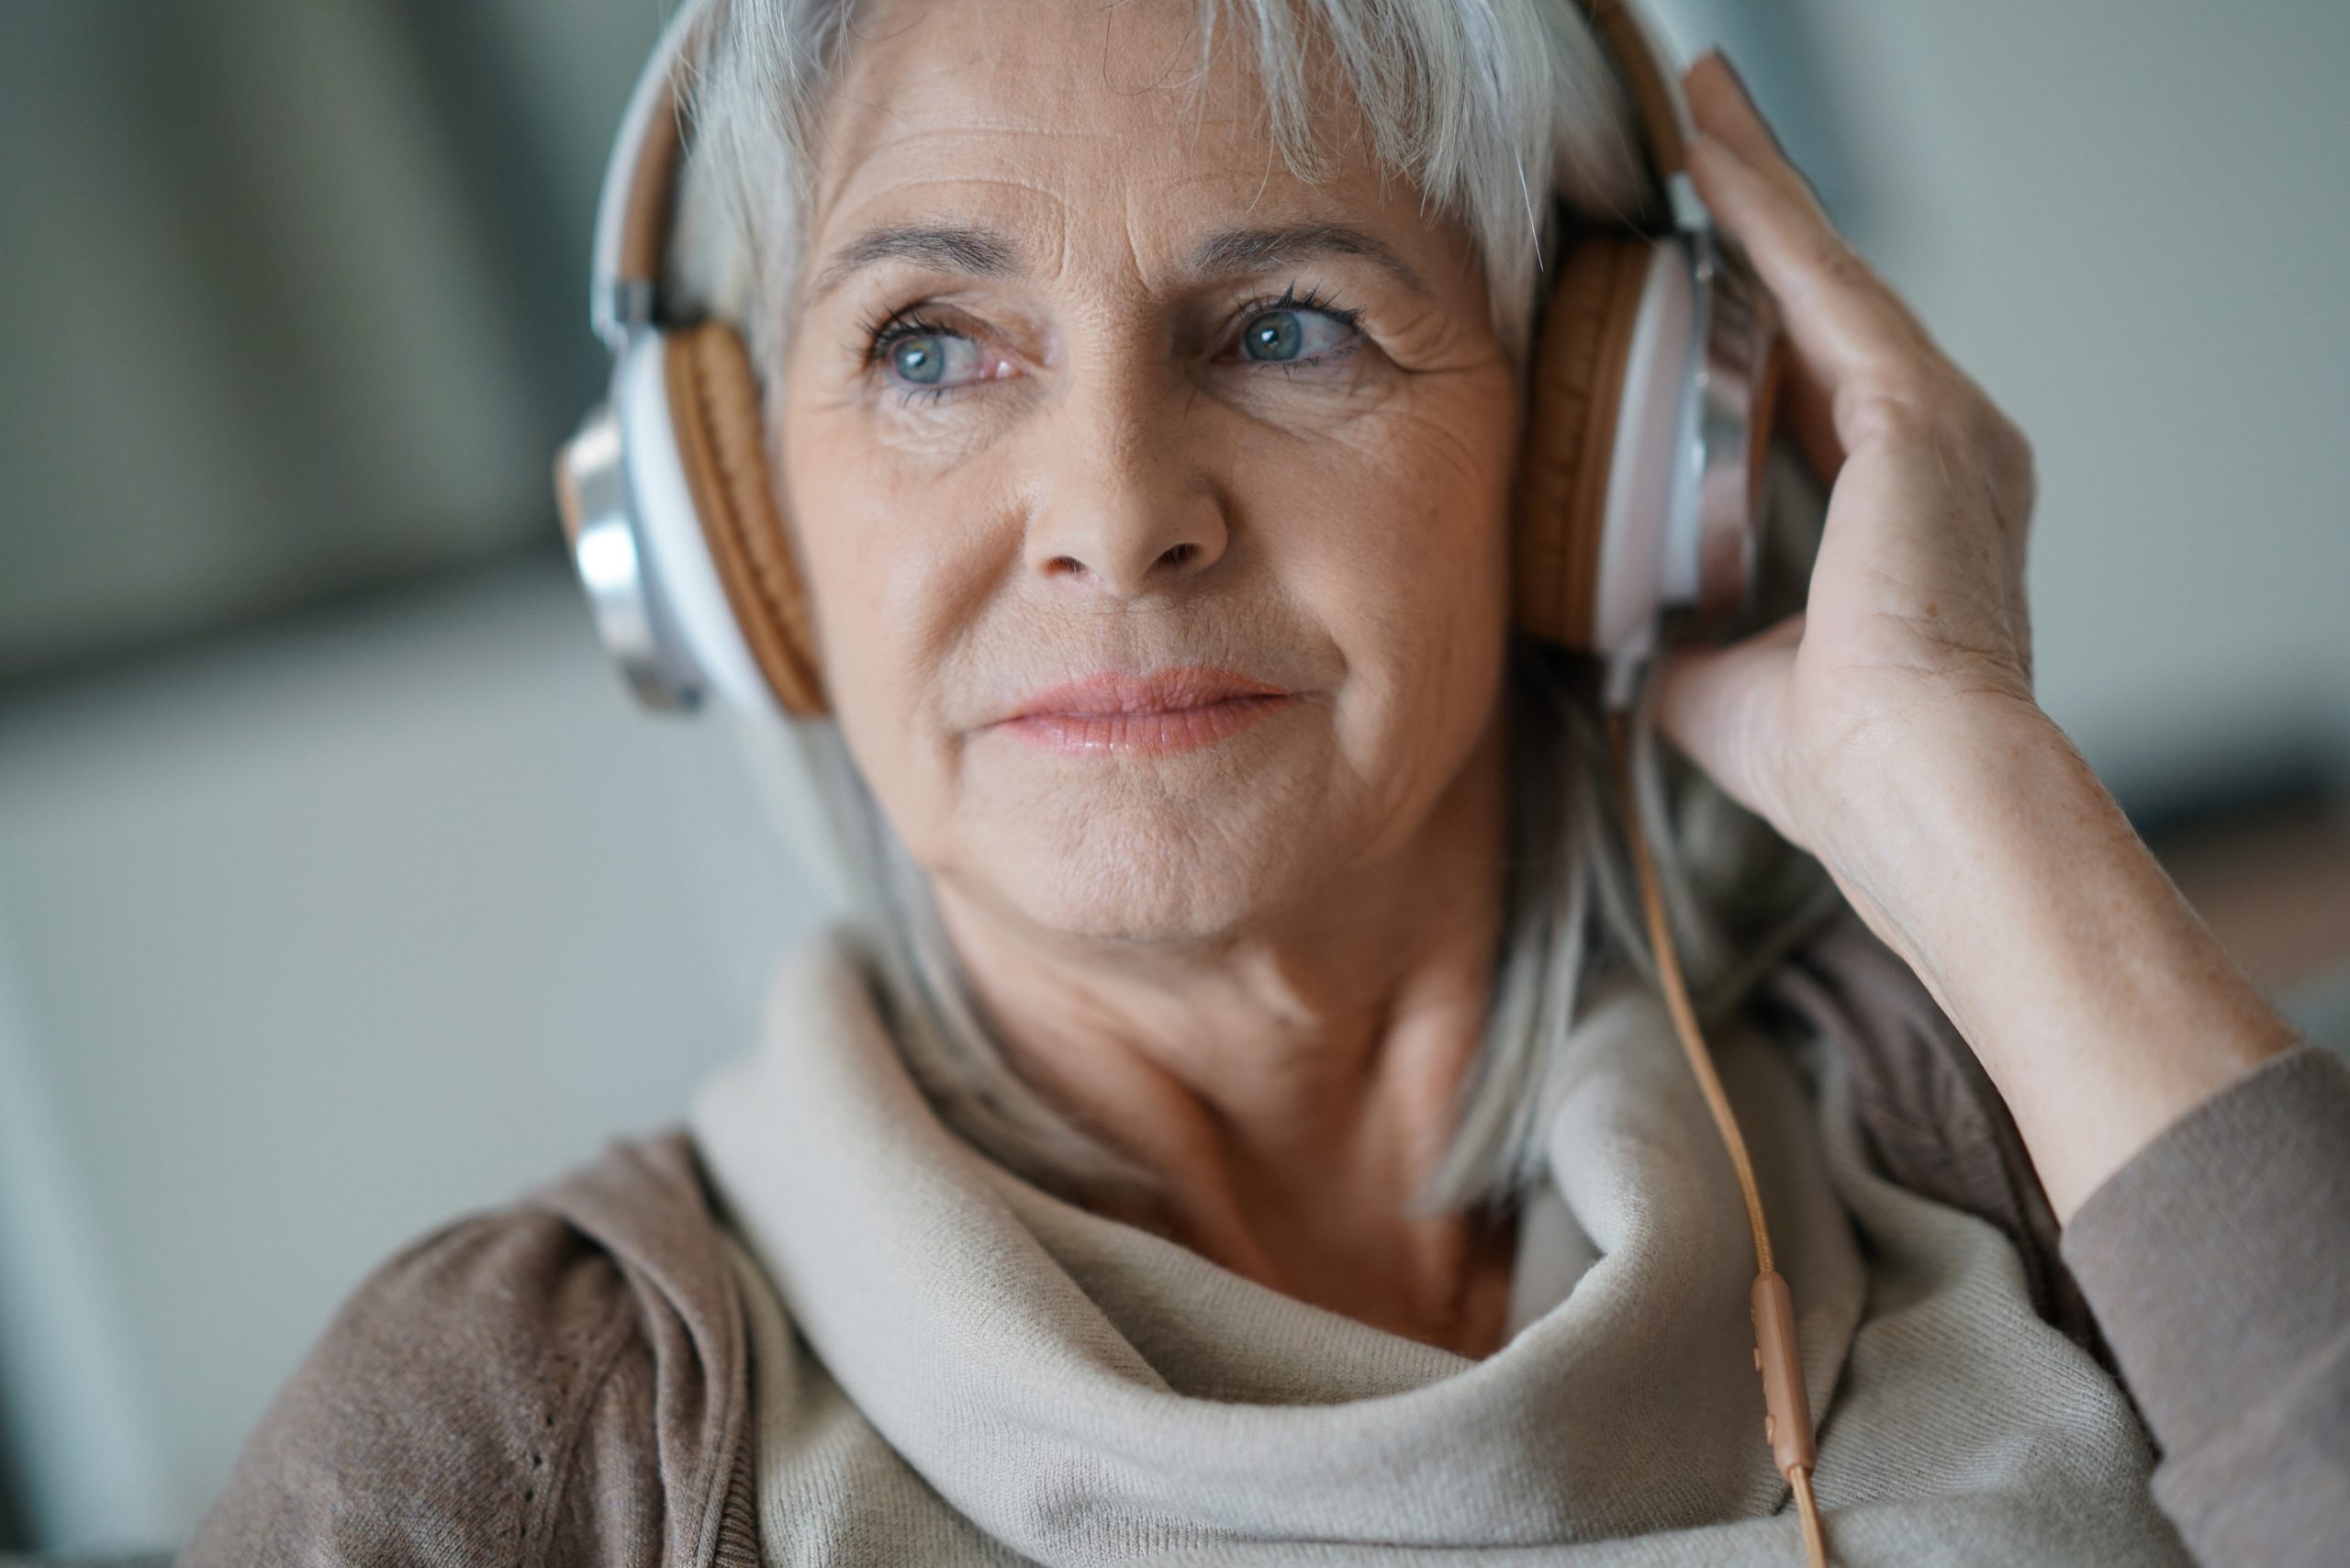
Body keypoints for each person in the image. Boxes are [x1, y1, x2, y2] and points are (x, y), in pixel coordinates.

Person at [184, 1, 2347, 1564]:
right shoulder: (521, 1436)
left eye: (1290, 324)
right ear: (735, 522)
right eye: (930, 341)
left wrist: (1956, 777)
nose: (1112, 513)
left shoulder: (1993, 1134)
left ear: (1595, 458)